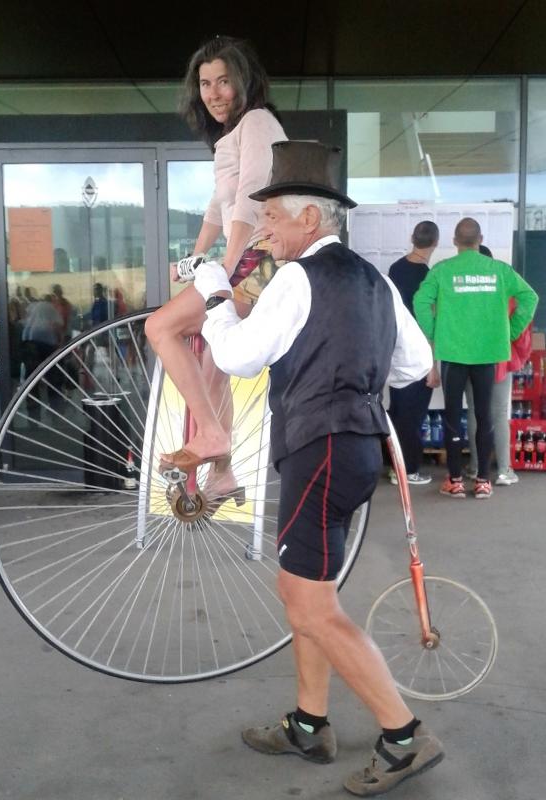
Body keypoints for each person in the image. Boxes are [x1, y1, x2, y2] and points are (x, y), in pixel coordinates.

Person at [192, 140, 442, 796]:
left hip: (318, 449)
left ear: (310, 218)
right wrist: (353, 368)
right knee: (310, 593)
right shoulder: (374, 280)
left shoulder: (296, 278)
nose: (263, 229)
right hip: (355, 451)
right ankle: (309, 723)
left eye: (271, 215)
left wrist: (215, 294)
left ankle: (404, 736)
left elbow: (238, 357)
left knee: (308, 603)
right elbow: (415, 365)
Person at [145, 35, 287, 496]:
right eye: (205, 84)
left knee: (160, 327)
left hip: (261, 259)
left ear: (244, 81)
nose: (214, 93)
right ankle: (222, 473)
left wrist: (226, 269)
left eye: (224, 81)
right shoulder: (232, 136)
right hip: (256, 259)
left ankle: (210, 435)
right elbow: (217, 206)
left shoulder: (258, 122)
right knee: (213, 365)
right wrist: (193, 258)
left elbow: (250, 198)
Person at [414, 218, 538, 499]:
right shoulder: (500, 271)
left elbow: (421, 301)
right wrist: (510, 331)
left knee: (453, 416)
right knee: (484, 416)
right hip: (487, 354)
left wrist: (433, 333)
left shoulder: (443, 270)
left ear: (455, 242)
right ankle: (483, 481)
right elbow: (529, 297)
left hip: (453, 354)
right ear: (480, 240)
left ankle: (455, 480)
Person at [464, 245, 533, 485]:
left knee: (474, 411)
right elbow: (523, 319)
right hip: (499, 359)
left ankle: (475, 468)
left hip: (469, 358)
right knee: (499, 413)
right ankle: (504, 470)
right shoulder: (505, 290)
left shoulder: (463, 291)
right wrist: (510, 342)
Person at [387, 221, 440, 485]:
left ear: (412, 238)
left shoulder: (395, 269)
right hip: (418, 353)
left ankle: (395, 467)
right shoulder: (429, 277)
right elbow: (428, 323)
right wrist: (433, 365)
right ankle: (407, 471)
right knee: (413, 414)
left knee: (398, 410)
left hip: (395, 350)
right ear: (436, 243)